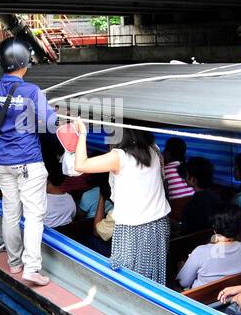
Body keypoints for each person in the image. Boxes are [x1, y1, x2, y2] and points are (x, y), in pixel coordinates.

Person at [0, 39, 57, 286]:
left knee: (10, 213)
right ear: (24, 62)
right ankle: (32, 268)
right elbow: (50, 124)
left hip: (3, 162)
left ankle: (15, 264)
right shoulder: (32, 91)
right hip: (29, 161)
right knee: (34, 216)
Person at [71, 120, 171, 285]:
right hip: (159, 224)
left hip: (133, 228)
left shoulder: (120, 156)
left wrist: (82, 133)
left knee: (128, 278)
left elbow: (80, 165)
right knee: (152, 276)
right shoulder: (154, 149)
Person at [176, 205, 241, 290]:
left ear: (214, 227)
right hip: (235, 296)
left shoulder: (200, 251)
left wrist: (181, 267)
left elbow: (183, 282)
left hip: (204, 300)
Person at [177, 157, 221, 235]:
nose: (185, 178)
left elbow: (185, 234)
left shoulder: (190, 207)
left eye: (186, 175)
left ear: (194, 180)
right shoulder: (217, 198)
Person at [43, 166, 78, 230]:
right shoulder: (69, 198)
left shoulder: (42, 200)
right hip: (68, 234)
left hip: (48, 235)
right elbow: (73, 216)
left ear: (47, 181)